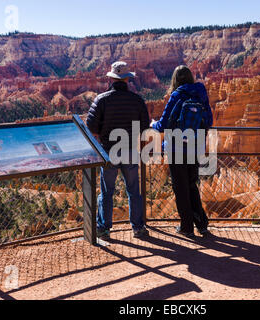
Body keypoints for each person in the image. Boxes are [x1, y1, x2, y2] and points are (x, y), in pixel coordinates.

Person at [87, 61, 150, 240]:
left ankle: (104, 229)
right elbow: (145, 128)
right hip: (130, 150)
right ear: (127, 80)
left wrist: (102, 139)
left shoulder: (101, 100)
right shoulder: (137, 101)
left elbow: (91, 127)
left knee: (107, 191)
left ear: (112, 79)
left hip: (109, 152)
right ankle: (138, 228)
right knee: (133, 191)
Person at [151, 65, 213, 238]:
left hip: (176, 148)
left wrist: (152, 125)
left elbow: (163, 124)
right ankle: (202, 225)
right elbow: (209, 119)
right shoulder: (200, 92)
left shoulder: (176, 95)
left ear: (175, 80)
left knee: (181, 188)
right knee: (192, 185)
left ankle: (186, 227)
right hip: (196, 147)